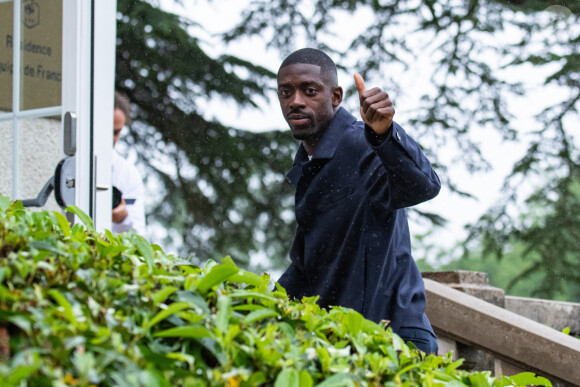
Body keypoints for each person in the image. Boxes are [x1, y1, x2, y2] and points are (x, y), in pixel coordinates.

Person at [276, 48, 441, 353]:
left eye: (309, 91)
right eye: (286, 92)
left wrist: (385, 133)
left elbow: (424, 186)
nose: (295, 101)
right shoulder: (308, 165)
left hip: (392, 337)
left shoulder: (363, 141)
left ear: (336, 96)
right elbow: (306, 267)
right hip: (347, 340)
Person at [111, 91, 146, 235]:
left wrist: (124, 218)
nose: (111, 139)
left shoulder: (128, 173)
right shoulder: (69, 162)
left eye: (116, 132)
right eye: (106, 130)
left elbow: (139, 236)